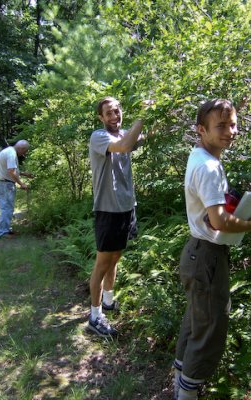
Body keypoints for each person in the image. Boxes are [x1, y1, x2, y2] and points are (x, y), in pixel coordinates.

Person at [173, 99, 251, 400]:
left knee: (196, 323)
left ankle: (179, 386)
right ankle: (187, 393)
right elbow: (219, 220)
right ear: (201, 129)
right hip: (208, 257)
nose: (230, 131)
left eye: (233, 124)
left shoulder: (198, 156)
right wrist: (250, 225)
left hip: (197, 253)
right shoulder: (209, 166)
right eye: (221, 125)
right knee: (209, 331)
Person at [88, 96, 152, 337]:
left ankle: (108, 301)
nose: (115, 116)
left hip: (126, 206)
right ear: (101, 118)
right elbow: (125, 145)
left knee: (115, 257)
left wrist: (164, 115)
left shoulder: (124, 133)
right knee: (102, 262)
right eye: (109, 113)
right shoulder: (99, 137)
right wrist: (143, 115)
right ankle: (94, 316)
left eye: (117, 111)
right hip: (108, 209)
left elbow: (140, 137)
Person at [0, 140, 33, 239]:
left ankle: (6, 229)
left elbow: (12, 170)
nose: (24, 154)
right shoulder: (11, 154)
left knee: (7, 207)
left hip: (2, 182)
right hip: (6, 184)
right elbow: (11, 171)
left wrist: (25, 174)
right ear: (22, 148)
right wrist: (21, 184)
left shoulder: (8, 151)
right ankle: (2, 233)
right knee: (6, 208)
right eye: (25, 151)